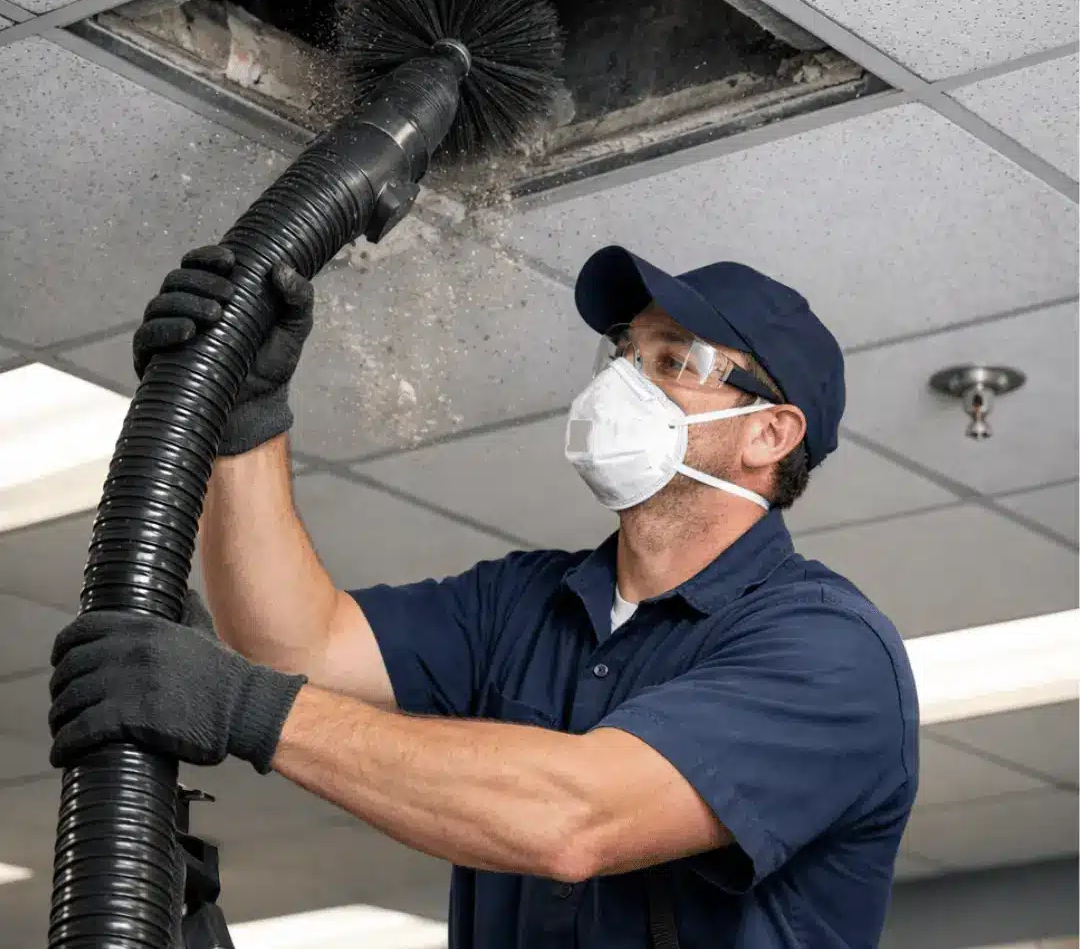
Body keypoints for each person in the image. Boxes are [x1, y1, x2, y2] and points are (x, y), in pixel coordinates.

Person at [49, 243, 920, 949]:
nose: (622, 382)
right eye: (623, 353)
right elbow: (297, 649)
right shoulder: (526, 603)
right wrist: (242, 411)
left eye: (672, 361)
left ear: (770, 432)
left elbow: (573, 819)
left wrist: (240, 704)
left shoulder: (829, 652)